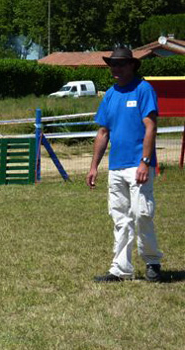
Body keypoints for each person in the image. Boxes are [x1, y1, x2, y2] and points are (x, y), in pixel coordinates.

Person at [87, 47, 163, 283]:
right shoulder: (110, 95)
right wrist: (93, 166)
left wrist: (145, 161)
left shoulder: (143, 90)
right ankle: (120, 269)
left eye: (120, 65)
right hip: (116, 167)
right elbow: (102, 131)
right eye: (112, 65)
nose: (115, 69)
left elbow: (150, 126)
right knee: (120, 218)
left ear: (132, 65)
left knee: (142, 214)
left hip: (138, 165)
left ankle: (152, 261)